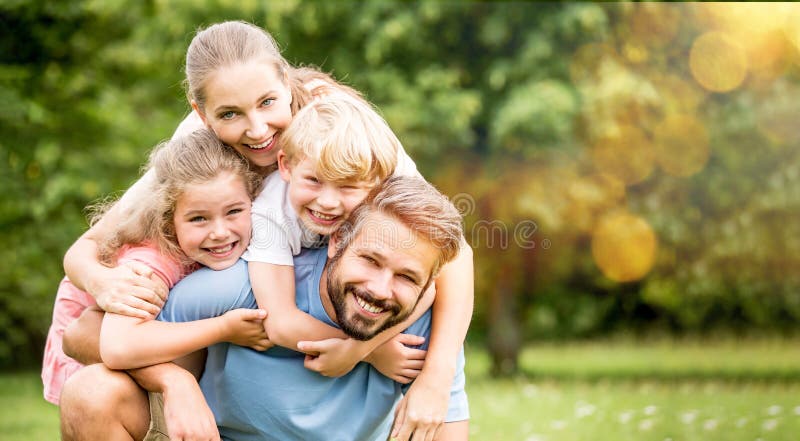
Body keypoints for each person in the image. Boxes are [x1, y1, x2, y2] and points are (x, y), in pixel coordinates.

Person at [61, 20, 474, 437]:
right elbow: (84, 297)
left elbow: (448, 251)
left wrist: (423, 374)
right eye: (229, 114)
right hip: (165, 291)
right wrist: (102, 282)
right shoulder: (199, 166)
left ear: (286, 83)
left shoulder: (345, 135)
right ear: (201, 114)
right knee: (93, 382)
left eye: (266, 103)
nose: (257, 130)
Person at [62, 175, 469, 441]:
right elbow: (83, 334)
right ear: (337, 241)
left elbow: (446, 429)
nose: (380, 289)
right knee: (93, 391)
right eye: (371, 261)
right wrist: (173, 380)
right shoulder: (249, 283)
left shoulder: (427, 327)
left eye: (406, 277)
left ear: (429, 284)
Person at [42, 128, 270, 405]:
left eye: (234, 211)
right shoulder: (153, 262)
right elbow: (117, 347)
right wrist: (224, 328)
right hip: (88, 346)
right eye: (199, 219)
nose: (220, 232)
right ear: (168, 221)